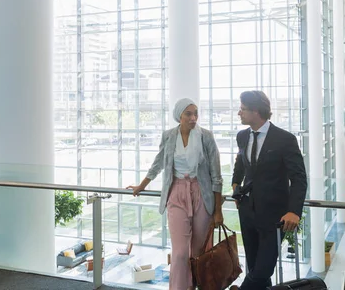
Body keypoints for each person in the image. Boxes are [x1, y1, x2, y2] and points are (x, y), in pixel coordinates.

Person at [127, 98, 224, 290]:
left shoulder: (206, 136)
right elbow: (159, 162)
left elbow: (216, 175)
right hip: (177, 193)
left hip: (201, 195)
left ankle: (195, 286)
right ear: (179, 115)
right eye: (188, 113)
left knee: (197, 252)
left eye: (196, 113)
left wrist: (218, 210)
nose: (193, 117)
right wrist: (143, 184)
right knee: (180, 253)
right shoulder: (169, 136)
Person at [231, 91, 307, 290]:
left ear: (256, 111)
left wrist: (294, 211)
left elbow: (298, 178)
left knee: (263, 269)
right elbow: (240, 165)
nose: (239, 113)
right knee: (255, 267)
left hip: (274, 216)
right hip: (247, 212)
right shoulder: (242, 136)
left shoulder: (284, 139)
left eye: (243, 109)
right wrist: (235, 186)